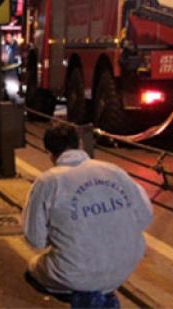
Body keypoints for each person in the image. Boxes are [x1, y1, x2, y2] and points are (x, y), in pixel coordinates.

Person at [23, 124, 153, 307]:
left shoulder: (48, 181)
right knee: (90, 274)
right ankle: (102, 297)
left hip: (76, 272)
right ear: (80, 144)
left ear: (49, 152)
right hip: (126, 265)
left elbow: (35, 239)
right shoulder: (113, 170)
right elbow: (145, 216)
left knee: (33, 272)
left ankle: (87, 299)